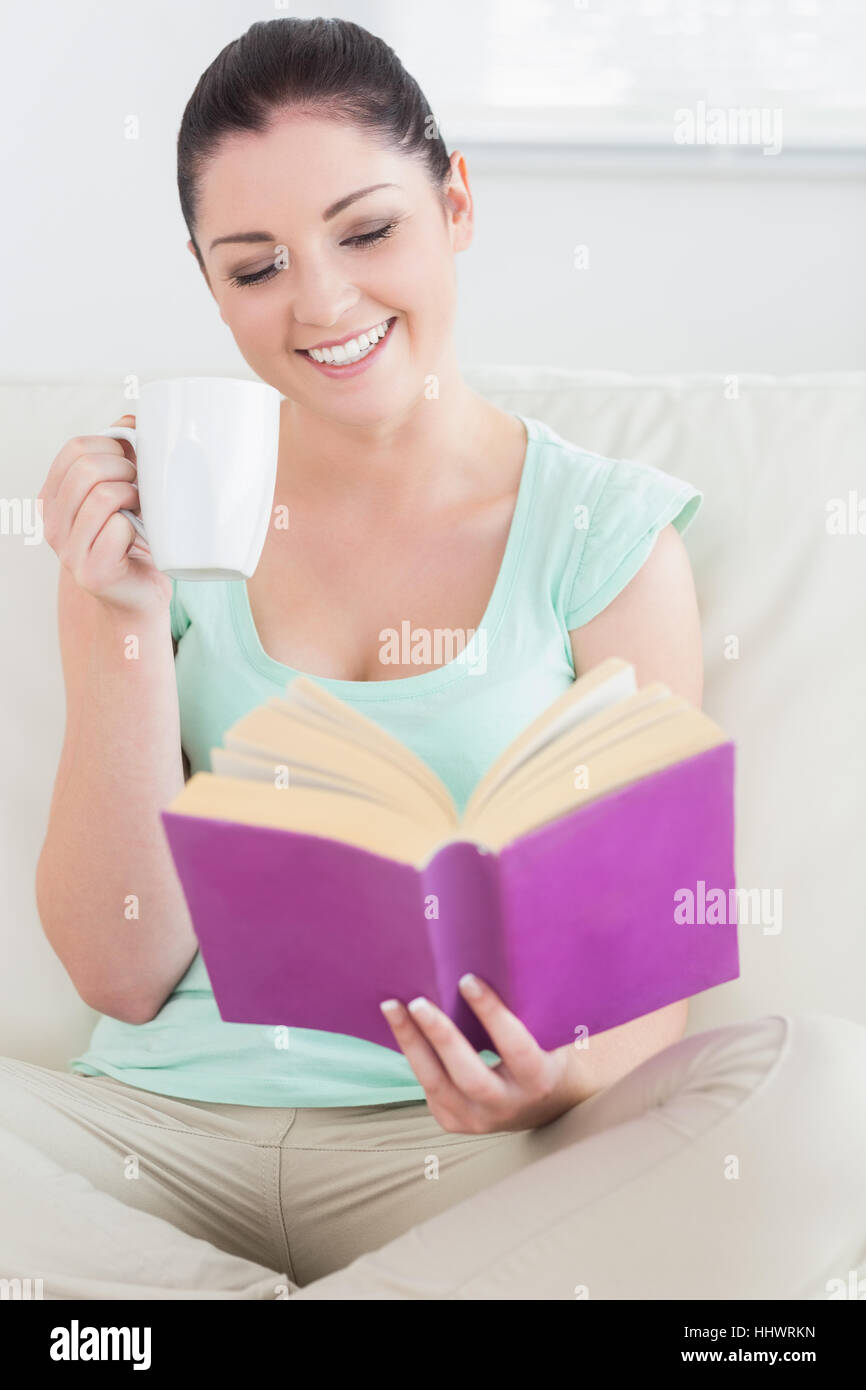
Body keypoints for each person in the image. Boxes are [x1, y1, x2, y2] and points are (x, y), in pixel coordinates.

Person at [7, 16, 864, 1300]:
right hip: (157, 1149)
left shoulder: (604, 535)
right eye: (256, 268)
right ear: (206, 281)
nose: (323, 302)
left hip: (473, 1174)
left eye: (365, 230)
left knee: (823, 1095)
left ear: (453, 199)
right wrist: (119, 610)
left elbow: (649, 968)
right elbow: (121, 975)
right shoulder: (155, 531)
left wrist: (550, 1081)